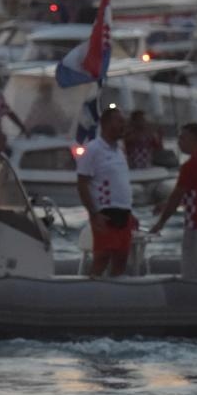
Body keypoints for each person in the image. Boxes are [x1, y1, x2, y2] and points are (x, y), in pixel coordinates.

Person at [148, 122, 197, 278]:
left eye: (183, 138)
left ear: (195, 140)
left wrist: (160, 223)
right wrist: (165, 205)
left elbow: (177, 196)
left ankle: (192, 298)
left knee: (192, 272)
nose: (178, 142)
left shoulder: (192, 165)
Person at [75, 107, 136, 277]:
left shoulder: (120, 150)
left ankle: (115, 294)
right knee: (102, 257)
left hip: (124, 212)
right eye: (119, 121)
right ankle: (90, 291)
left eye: (123, 121)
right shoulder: (93, 149)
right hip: (104, 212)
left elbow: (121, 183)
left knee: (122, 257)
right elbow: (82, 184)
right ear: (106, 124)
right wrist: (94, 213)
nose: (123, 124)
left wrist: (131, 212)